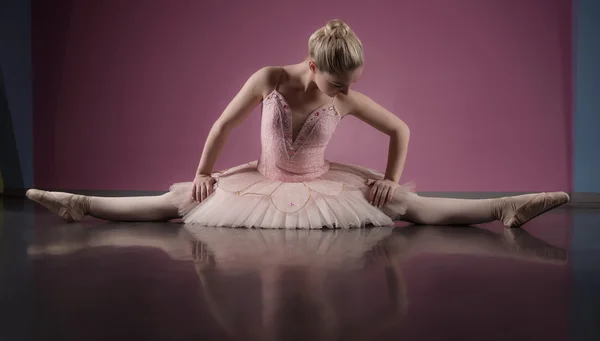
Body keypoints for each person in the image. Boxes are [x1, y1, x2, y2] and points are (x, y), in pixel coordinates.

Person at [25, 19, 569, 229]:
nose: (347, 94)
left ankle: (506, 206)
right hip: (261, 179)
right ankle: (79, 203)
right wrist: (202, 172)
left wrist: (388, 178)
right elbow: (221, 126)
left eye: (352, 83)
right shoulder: (271, 79)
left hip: (319, 182)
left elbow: (400, 129)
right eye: (338, 85)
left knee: (411, 208)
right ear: (312, 67)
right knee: (174, 204)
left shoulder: (347, 98)